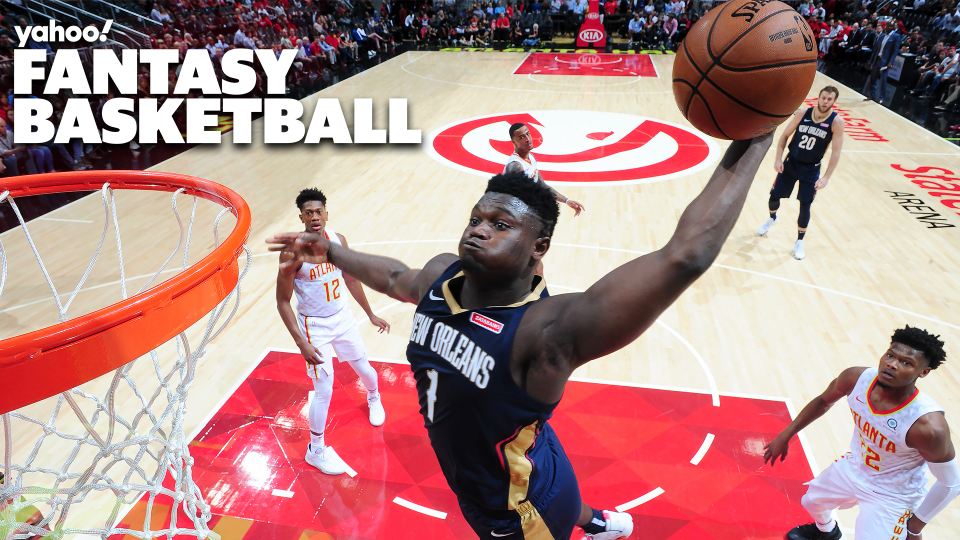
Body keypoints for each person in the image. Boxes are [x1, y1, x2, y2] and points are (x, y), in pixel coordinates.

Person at [267, 131, 775, 540]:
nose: (480, 228)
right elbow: (397, 277)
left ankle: (586, 522)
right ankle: (597, 523)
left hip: (515, 515)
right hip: (534, 457)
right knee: (562, 492)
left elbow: (683, 256)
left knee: (549, 503)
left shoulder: (547, 332)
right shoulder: (443, 275)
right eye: (477, 217)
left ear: (540, 246)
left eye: (502, 224)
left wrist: (756, 136)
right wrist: (329, 251)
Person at [763, 326, 959, 540]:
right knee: (811, 501)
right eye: (891, 355)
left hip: (894, 493)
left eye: (906, 363)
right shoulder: (856, 378)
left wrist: (915, 527)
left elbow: (951, 483)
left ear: (923, 372)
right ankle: (827, 532)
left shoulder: (928, 426)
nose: (892, 364)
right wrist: (786, 435)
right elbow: (822, 401)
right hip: (856, 466)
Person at [275, 189, 390, 475]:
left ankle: (374, 397)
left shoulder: (338, 241)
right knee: (323, 389)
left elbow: (351, 279)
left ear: (326, 213)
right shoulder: (293, 252)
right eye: (309, 213)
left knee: (364, 369)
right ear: (301, 217)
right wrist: (300, 343)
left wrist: (370, 313)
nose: (315, 217)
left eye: (319, 211)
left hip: (344, 319)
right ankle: (315, 449)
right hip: (315, 327)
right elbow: (282, 301)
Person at [757, 86, 844, 261]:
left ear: (834, 101)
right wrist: (778, 159)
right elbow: (784, 136)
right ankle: (772, 218)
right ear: (818, 98)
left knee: (805, 205)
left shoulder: (836, 122)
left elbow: (836, 152)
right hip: (791, 163)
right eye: (824, 98)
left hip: (811, 170)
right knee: (774, 197)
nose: (825, 101)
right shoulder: (803, 114)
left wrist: (826, 177)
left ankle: (799, 241)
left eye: (829, 99)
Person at [862, 21, 900, 104]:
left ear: (893, 27)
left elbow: (895, 51)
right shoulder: (882, 35)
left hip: (885, 61)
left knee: (883, 79)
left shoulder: (896, 36)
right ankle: (872, 95)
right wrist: (871, 61)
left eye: (890, 26)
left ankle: (882, 98)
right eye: (887, 25)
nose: (888, 27)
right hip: (877, 59)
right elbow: (875, 49)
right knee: (873, 77)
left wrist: (890, 62)